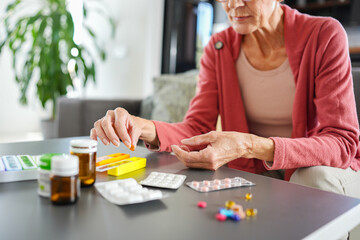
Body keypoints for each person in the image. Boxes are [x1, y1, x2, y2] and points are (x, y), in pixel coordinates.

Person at [90, 0, 360, 199]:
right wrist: (141, 126)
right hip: (261, 172)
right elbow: (197, 128)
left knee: (311, 176)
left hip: (325, 170)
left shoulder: (324, 35)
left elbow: (342, 142)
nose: (232, 4)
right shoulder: (218, 48)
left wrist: (247, 145)